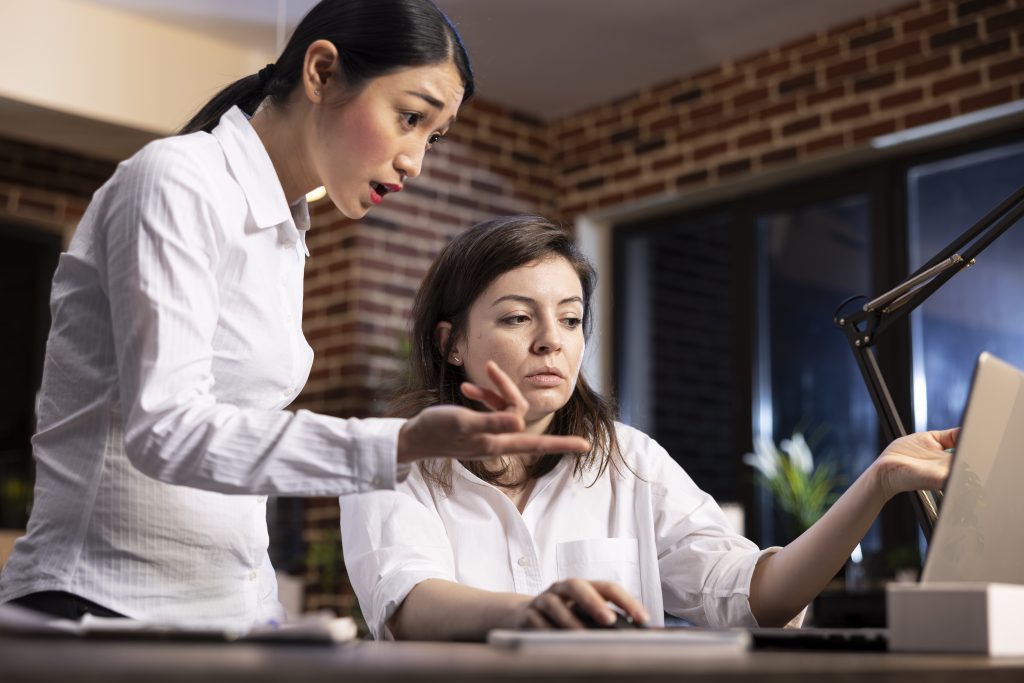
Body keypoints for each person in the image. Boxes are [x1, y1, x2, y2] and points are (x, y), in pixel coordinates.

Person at [0, 1, 588, 627]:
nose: (416, 159)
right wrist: (402, 442)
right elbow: (166, 430)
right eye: (409, 117)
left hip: (233, 612)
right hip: (103, 604)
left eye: (433, 136)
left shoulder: (285, 231)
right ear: (322, 72)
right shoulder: (177, 180)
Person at [339, 214, 957, 641]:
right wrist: (537, 612)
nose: (552, 341)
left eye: (571, 318)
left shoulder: (627, 459)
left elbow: (754, 598)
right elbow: (411, 604)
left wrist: (876, 483)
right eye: (518, 318)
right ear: (452, 344)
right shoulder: (391, 460)